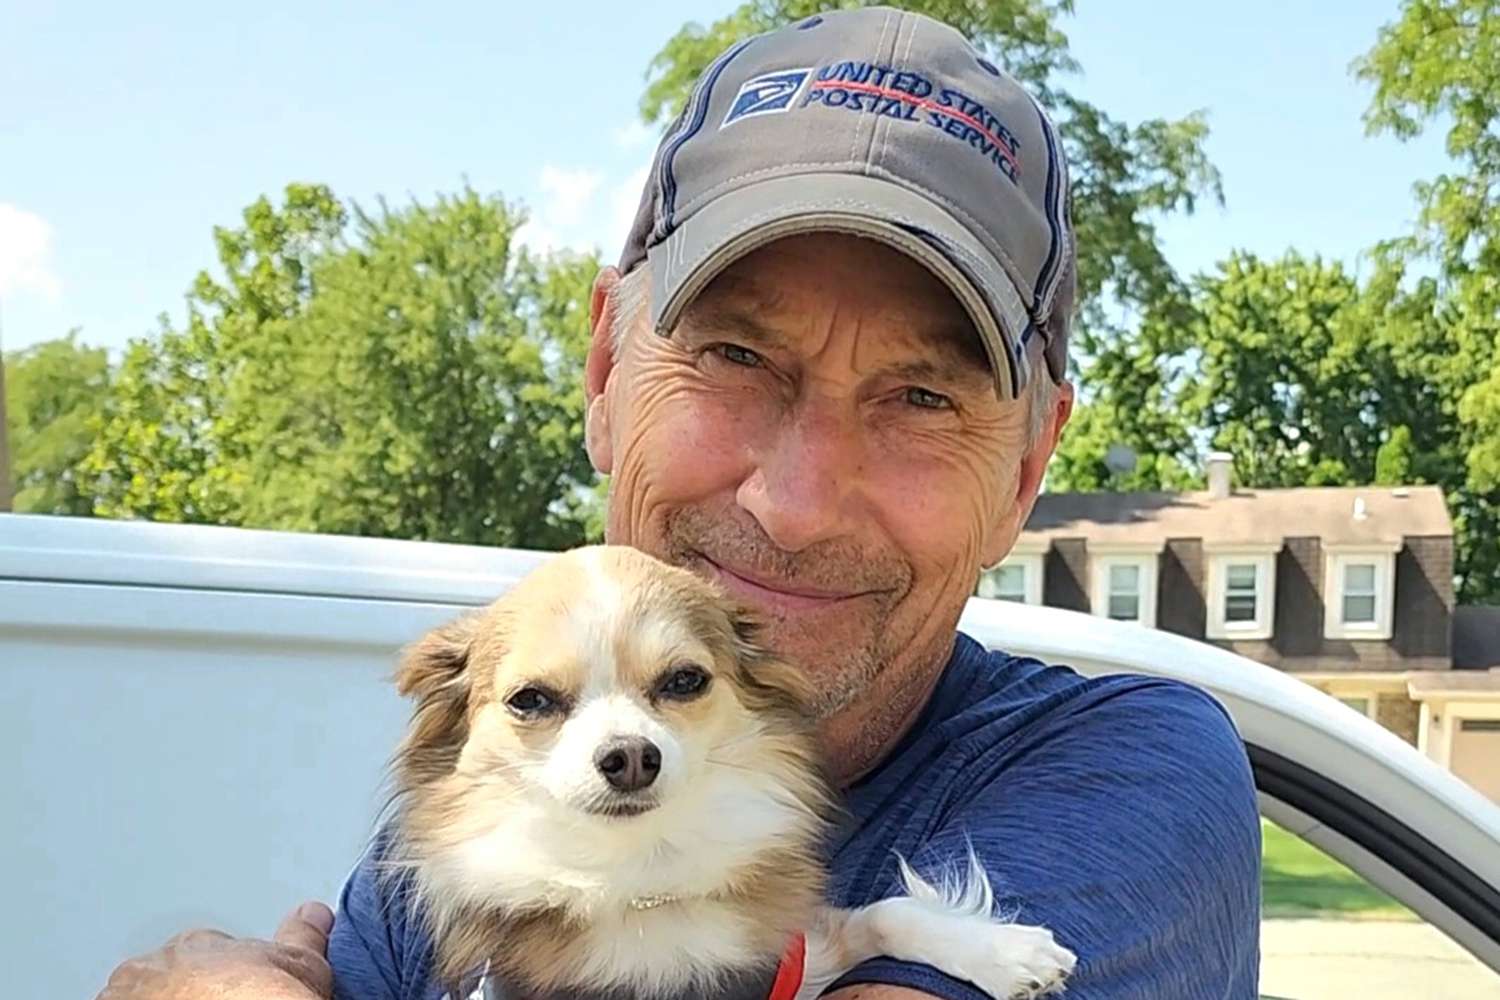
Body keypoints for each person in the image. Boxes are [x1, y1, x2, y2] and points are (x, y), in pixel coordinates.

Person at [97, 8, 1260, 999]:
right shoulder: (481, 804)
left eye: (917, 395)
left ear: (1024, 471)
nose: (797, 504)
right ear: (605, 371)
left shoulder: (1129, 779)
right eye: (737, 358)